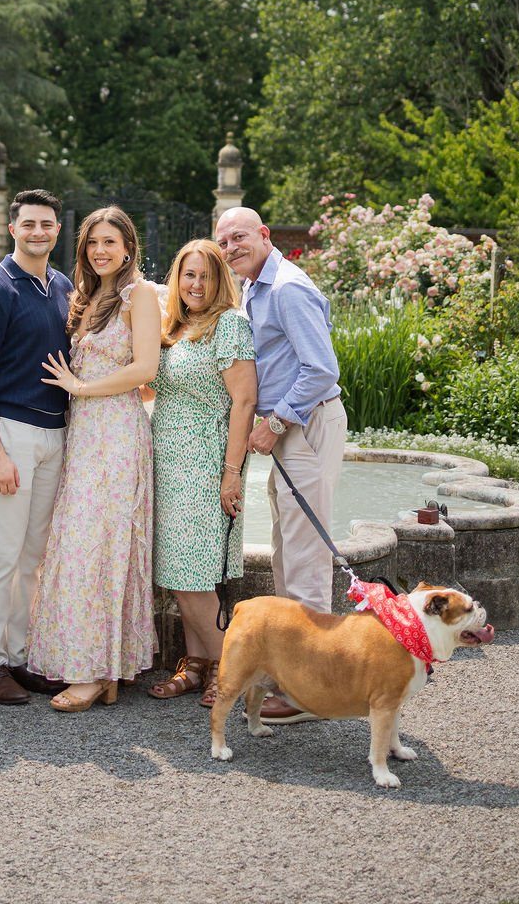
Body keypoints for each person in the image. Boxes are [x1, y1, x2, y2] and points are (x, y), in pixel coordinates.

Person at [215, 205, 347, 726]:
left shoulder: (288, 289)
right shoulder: (254, 287)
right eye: (224, 242)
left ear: (264, 235)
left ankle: (313, 691)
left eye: (239, 237)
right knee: (287, 551)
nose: (231, 248)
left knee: (306, 556)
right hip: (290, 429)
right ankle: (296, 672)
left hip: (305, 425)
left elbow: (321, 370)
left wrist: (273, 422)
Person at [27, 206, 161, 711]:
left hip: (118, 434)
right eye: (93, 243)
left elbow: (145, 368)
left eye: (110, 242)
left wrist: (81, 386)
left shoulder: (138, 295)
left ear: (128, 247)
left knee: (102, 547)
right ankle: (98, 668)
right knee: (79, 547)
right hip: (83, 435)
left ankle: (95, 671)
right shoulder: (85, 296)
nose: (100, 251)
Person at [0, 189, 73, 705]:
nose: (38, 232)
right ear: (13, 229)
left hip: (55, 433)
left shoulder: (62, 286)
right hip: (9, 431)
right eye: (28, 224)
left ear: (57, 230)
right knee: (3, 551)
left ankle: (19, 655)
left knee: (33, 555)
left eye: (46, 224)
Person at [146, 239, 257, 708]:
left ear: (219, 281)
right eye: (188, 275)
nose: (195, 284)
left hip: (205, 464)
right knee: (178, 571)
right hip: (168, 464)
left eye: (205, 276)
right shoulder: (174, 326)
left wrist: (231, 473)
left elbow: (245, 402)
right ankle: (196, 665)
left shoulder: (229, 324)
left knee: (193, 574)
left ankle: (232, 671)